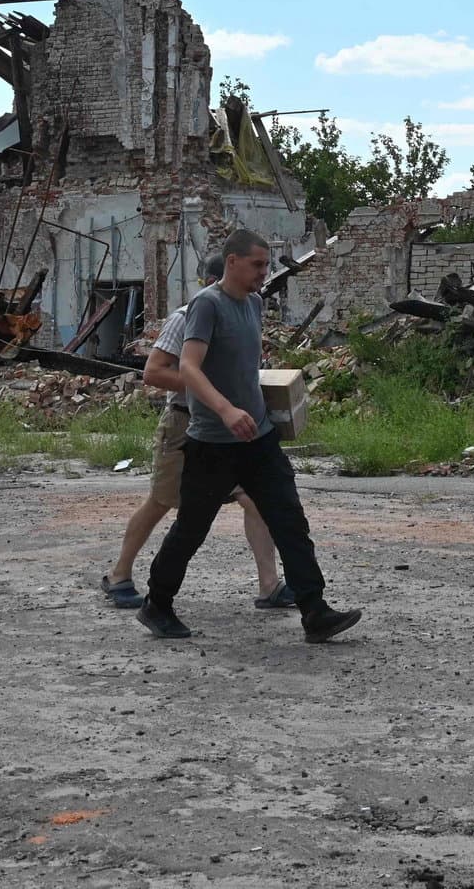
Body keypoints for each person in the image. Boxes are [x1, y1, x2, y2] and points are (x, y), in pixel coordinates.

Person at [140, 229, 362, 644]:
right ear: (232, 262)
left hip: (257, 438)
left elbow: (242, 368)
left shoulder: (255, 304)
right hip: (212, 442)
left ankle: (315, 610)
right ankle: (157, 603)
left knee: (289, 520)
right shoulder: (206, 306)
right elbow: (188, 367)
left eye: (266, 264)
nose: (265, 272)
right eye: (258, 264)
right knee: (192, 528)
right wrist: (224, 409)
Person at [100, 253, 297, 612]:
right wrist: (212, 392)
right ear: (215, 281)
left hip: (231, 432)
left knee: (254, 500)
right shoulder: (187, 316)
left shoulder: (245, 311)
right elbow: (154, 373)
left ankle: (270, 586)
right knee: (162, 502)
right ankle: (119, 575)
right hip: (186, 426)